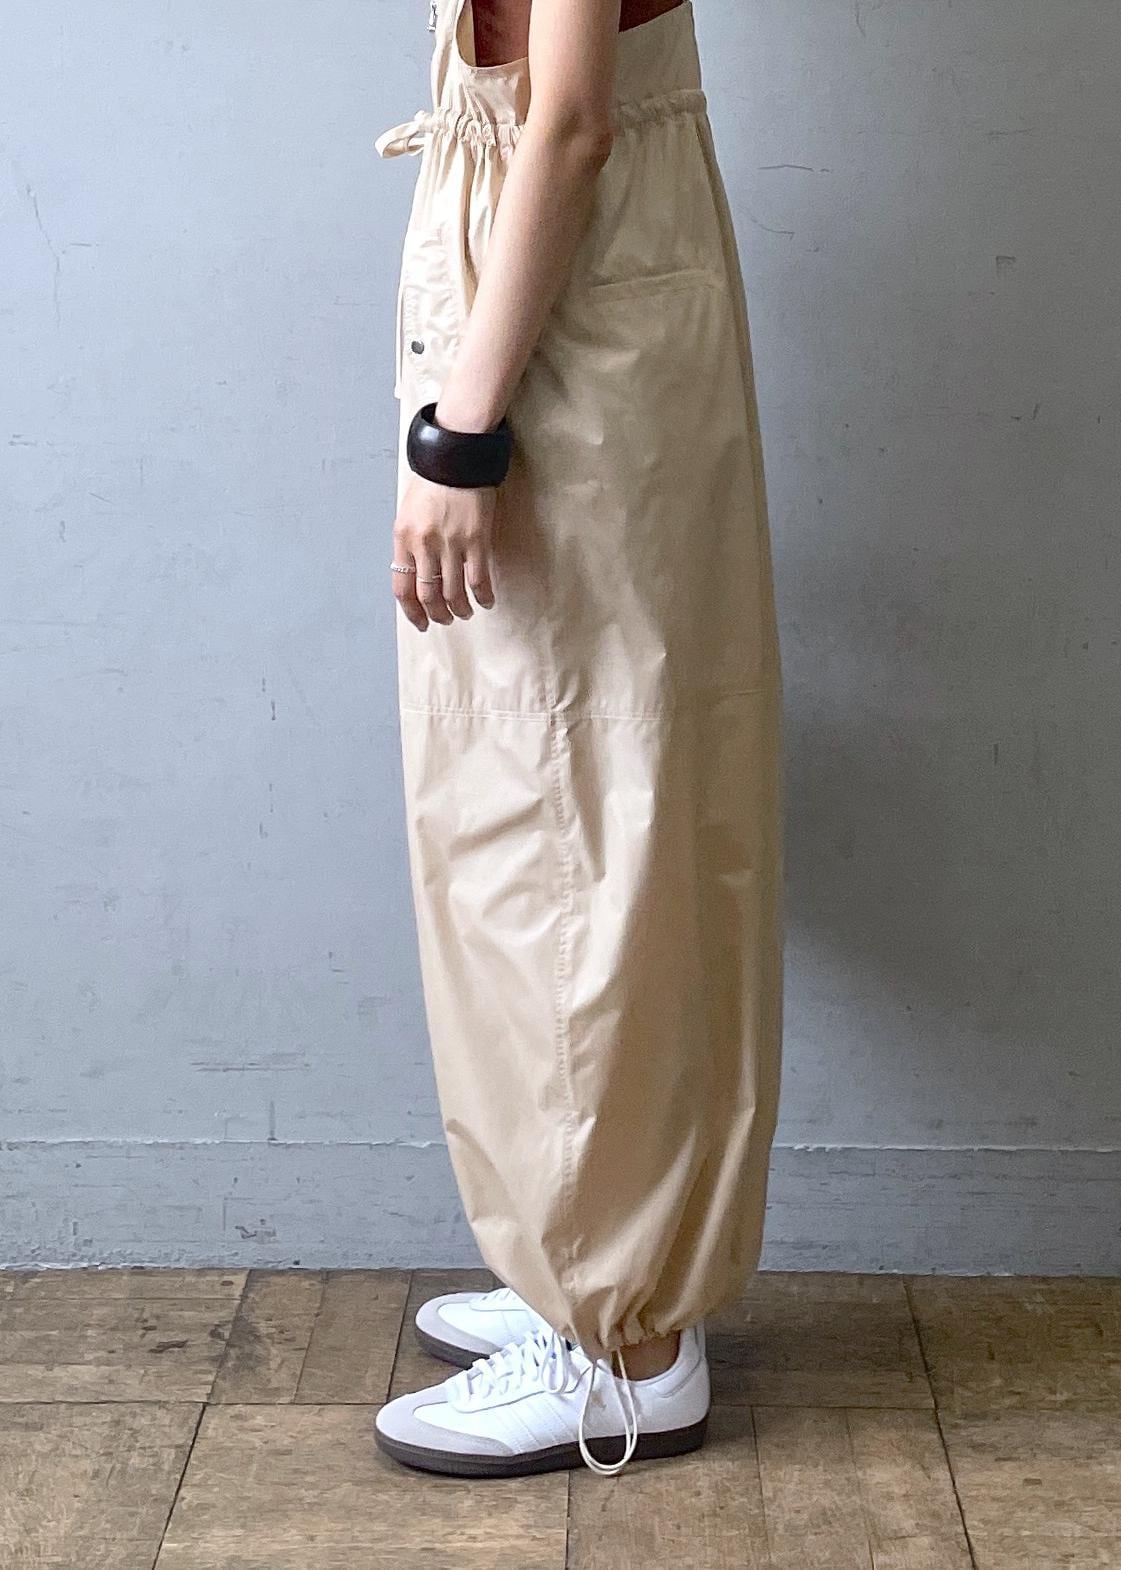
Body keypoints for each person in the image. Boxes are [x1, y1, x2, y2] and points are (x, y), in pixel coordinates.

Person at [372, 0, 784, 1478]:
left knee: (571, 832)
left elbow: (570, 121)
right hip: (559, 287)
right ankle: (585, 1262)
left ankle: (623, 1340)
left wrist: (460, 431)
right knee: (554, 803)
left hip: (566, 314)